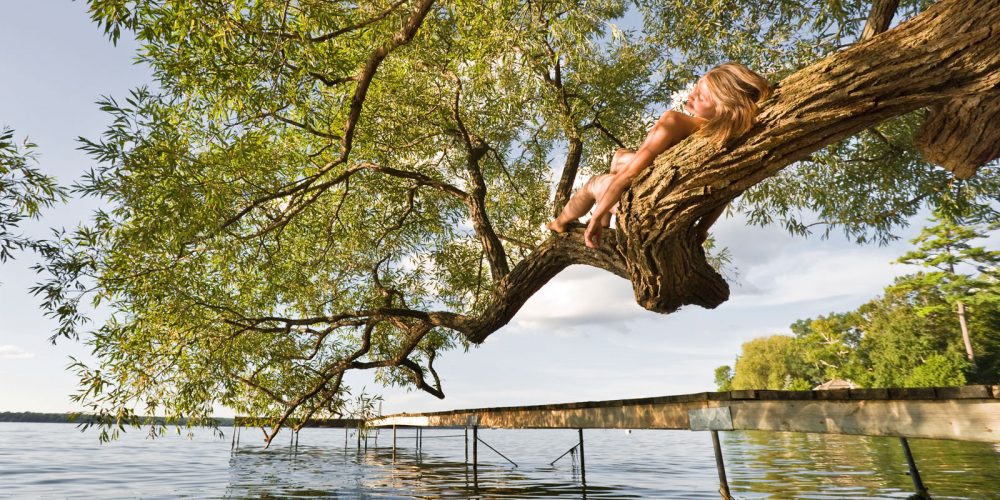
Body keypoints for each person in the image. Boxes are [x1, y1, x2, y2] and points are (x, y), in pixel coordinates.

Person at [546, 62, 772, 248]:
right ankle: (606, 219)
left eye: (701, 95)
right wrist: (703, 228)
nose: (691, 95)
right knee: (620, 155)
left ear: (724, 105)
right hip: (670, 205)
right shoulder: (734, 136)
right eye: (695, 87)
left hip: (645, 204)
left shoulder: (676, 121)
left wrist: (596, 216)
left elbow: (630, 174)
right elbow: (728, 189)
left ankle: (560, 222)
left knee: (595, 182)